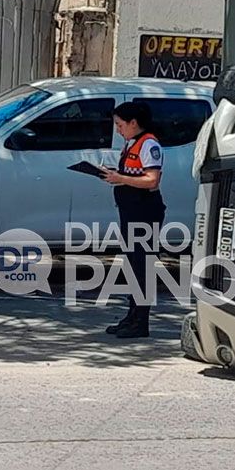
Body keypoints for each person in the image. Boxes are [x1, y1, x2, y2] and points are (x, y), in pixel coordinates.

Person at [101, 101, 166, 338]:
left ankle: (141, 322)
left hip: (144, 212)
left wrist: (120, 179)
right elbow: (133, 173)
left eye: (120, 125)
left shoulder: (148, 144)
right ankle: (132, 316)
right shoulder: (132, 143)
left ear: (133, 123)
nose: (118, 130)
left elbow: (152, 179)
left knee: (142, 266)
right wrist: (113, 175)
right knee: (132, 265)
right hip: (131, 210)